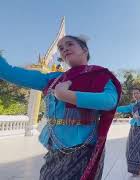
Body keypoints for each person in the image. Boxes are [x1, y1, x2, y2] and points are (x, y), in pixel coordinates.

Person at [0, 35, 122, 180]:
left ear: (84, 49)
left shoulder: (100, 76)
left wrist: (65, 94)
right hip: (54, 149)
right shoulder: (53, 79)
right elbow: (9, 72)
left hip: (83, 149)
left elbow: (109, 101)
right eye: (61, 48)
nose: (65, 49)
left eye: (70, 44)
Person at [116, 88, 140, 176]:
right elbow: (123, 108)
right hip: (133, 128)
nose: (135, 95)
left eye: (137, 93)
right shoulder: (132, 105)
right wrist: (113, 107)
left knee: (139, 149)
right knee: (129, 150)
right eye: (134, 93)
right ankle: (137, 169)